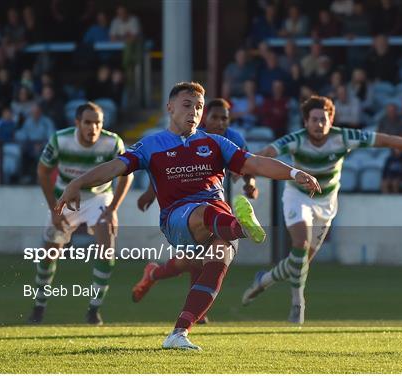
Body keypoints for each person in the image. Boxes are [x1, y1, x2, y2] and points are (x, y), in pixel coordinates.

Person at [54, 82, 321, 350]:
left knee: (217, 261)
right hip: (178, 219)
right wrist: (76, 184)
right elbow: (114, 167)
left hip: (218, 222)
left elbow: (256, 163)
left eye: (199, 107)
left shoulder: (215, 143)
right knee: (206, 213)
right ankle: (240, 227)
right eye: (187, 105)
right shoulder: (151, 145)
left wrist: (295, 173)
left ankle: (179, 333)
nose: (194, 112)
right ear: (170, 107)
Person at [241, 95, 402, 324]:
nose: (319, 124)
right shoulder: (295, 140)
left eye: (323, 119)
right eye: (314, 120)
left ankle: (265, 280)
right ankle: (297, 302)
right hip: (298, 197)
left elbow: (387, 140)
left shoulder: (343, 137)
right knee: (300, 245)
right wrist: (250, 180)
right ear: (305, 121)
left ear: (331, 119)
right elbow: (261, 157)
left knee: (300, 262)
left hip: (326, 203)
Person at [132, 98, 259, 325]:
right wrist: (151, 194)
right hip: (187, 209)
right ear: (205, 118)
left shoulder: (233, 138)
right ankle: (156, 276)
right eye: (215, 117)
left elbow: (247, 163)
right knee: (191, 261)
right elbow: (167, 170)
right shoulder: (189, 137)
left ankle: (164, 284)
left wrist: (250, 183)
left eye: (224, 118)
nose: (220, 122)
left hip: (216, 206)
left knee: (198, 260)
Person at [27, 102, 133, 325]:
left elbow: (127, 175)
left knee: (107, 244)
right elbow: (43, 172)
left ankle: (94, 310)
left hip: (98, 198)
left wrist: (112, 209)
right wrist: (54, 210)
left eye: (98, 123)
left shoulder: (113, 142)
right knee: (49, 253)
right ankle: (39, 305)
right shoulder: (60, 139)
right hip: (64, 199)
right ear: (77, 123)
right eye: (87, 122)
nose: (93, 128)